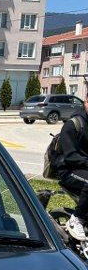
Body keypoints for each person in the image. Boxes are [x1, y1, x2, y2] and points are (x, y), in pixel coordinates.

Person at [57, 99, 88, 240]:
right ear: (86, 101)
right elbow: (70, 157)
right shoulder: (73, 125)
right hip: (68, 170)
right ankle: (77, 218)